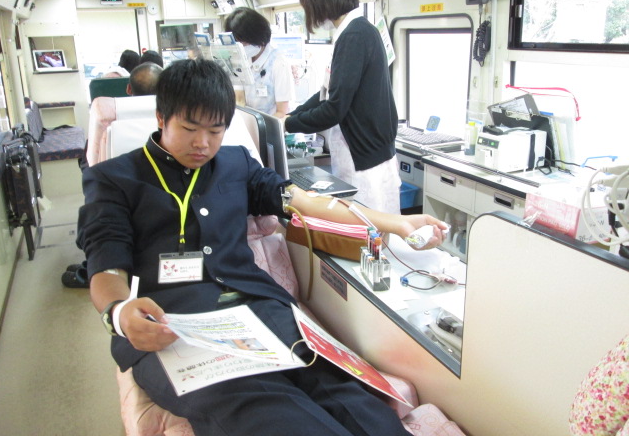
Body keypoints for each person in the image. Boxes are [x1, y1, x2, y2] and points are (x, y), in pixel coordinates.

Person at [77, 57, 447, 435]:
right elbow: (105, 266)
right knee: (266, 410)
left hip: (258, 307)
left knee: (348, 395)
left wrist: (397, 223)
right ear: (161, 117)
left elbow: (306, 203)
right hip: (175, 324)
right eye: (189, 128)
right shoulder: (114, 179)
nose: (203, 143)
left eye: (216, 131)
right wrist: (119, 312)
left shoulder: (236, 163)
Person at [284, 0, 402, 214]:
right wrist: (291, 116)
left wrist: (289, 125)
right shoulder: (355, 31)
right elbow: (326, 94)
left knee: (368, 229)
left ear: (320, 2)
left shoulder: (354, 36)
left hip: (365, 162)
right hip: (364, 154)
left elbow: (334, 109)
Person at [61, 62, 164, 288]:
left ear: (128, 89)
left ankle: (90, 271)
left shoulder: (109, 116)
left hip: (118, 193)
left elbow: (92, 163)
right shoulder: (174, 118)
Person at [224, 7, 295, 118]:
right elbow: (239, 99)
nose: (240, 47)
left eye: (243, 42)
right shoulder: (241, 59)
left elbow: (282, 112)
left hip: (271, 123)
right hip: (248, 121)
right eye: (237, 42)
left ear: (258, 37)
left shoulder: (278, 63)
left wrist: (260, 127)